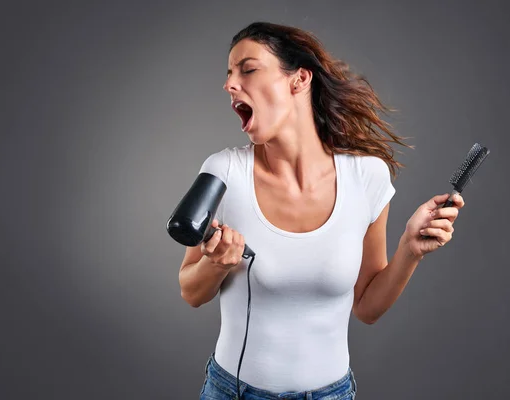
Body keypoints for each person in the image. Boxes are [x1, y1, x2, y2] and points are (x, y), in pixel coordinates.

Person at [178, 21, 465, 400]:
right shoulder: (223, 172)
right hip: (231, 392)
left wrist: (410, 250)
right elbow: (191, 292)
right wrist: (218, 263)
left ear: (298, 80)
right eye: (229, 74)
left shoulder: (366, 176)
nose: (230, 84)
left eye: (247, 69)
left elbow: (367, 307)